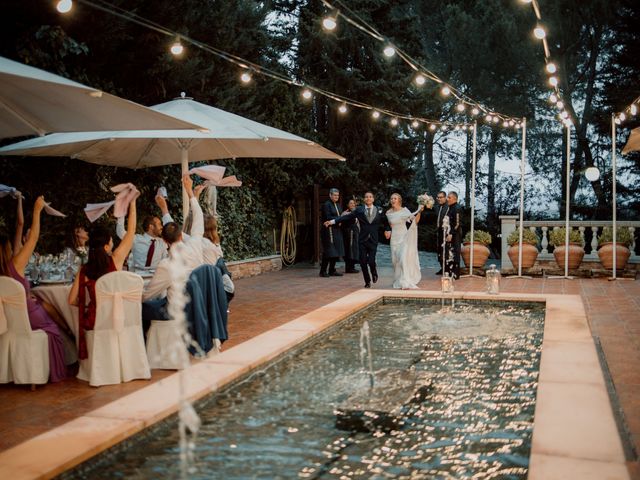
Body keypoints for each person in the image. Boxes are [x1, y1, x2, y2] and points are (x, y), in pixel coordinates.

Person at [1, 196, 67, 382]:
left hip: (10, 318)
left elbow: (20, 226)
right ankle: (55, 370)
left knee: (43, 303)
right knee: (53, 327)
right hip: (28, 315)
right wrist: (37, 211)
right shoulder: (15, 264)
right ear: (6, 250)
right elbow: (34, 239)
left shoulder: (5, 270)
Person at [68, 197, 137, 360]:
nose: (113, 243)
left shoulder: (84, 270)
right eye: (112, 241)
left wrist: (91, 304)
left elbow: (71, 300)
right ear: (106, 246)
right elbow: (131, 232)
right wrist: (132, 203)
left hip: (94, 321)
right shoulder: (116, 260)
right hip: (116, 319)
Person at [142, 174, 204, 331]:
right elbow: (198, 218)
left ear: (165, 241)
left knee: (142, 308)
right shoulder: (196, 244)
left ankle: (145, 350)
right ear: (182, 235)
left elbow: (146, 295)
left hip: (178, 312)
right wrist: (190, 192)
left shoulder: (166, 265)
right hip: (199, 306)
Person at [324, 191, 387, 288]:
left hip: (373, 240)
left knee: (371, 261)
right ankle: (367, 281)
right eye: (366, 197)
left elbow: (386, 220)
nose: (368, 198)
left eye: (370, 197)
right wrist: (332, 221)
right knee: (362, 261)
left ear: (373, 199)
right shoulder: (359, 210)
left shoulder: (379, 209)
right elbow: (346, 217)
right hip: (362, 240)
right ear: (364, 199)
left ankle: (374, 272)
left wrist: (388, 230)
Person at [116, 195, 170, 270]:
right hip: (138, 277)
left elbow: (166, 262)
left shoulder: (162, 243)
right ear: (151, 226)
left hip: (155, 277)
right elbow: (120, 232)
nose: (162, 227)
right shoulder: (136, 239)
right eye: (159, 224)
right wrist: (121, 213)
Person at [385, 193, 423, 289]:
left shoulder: (405, 211)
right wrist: (387, 231)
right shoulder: (388, 213)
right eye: (391, 198)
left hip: (403, 238)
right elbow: (389, 224)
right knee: (395, 261)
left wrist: (420, 212)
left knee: (403, 259)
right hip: (394, 239)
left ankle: (405, 281)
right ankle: (398, 279)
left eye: (395, 198)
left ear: (399, 201)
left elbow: (415, 221)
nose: (393, 200)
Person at [202, 214, 234, 303]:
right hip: (217, 284)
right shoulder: (211, 245)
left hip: (212, 283)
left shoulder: (208, 244)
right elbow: (230, 289)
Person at [319, 188, 344, 277]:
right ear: (330, 195)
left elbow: (340, 216)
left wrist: (341, 219)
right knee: (329, 250)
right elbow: (328, 217)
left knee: (336, 249)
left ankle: (332, 270)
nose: (336, 197)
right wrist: (339, 220)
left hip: (337, 230)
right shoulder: (327, 205)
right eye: (334, 195)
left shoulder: (338, 204)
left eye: (337, 195)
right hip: (328, 230)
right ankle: (323, 271)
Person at [443, 191, 462, 279]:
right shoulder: (450, 208)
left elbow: (457, 223)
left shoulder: (457, 208)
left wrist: (451, 234)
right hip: (449, 233)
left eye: (449, 197)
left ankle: (455, 273)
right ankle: (449, 271)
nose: (447, 199)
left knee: (455, 252)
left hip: (455, 234)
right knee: (449, 252)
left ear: (455, 198)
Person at [341, 198, 360, 274]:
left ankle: (352, 267)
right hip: (348, 234)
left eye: (353, 203)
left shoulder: (357, 213)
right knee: (349, 249)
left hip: (355, 233)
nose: (352, 205)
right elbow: (342, 223)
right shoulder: (345, 213)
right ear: (347, 205)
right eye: (350, 203)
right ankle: (348, 268)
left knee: (354, 249)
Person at [434, 191, 448, 274]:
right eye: (438, 197)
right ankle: (442, 267)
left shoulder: (448, 207)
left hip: (446, 231)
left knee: (445, 250)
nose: (439, 199)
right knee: (439, 250)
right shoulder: (438, 207)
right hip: (439, 231)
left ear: (445, 197)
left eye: (441, 197)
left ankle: (446, 269)